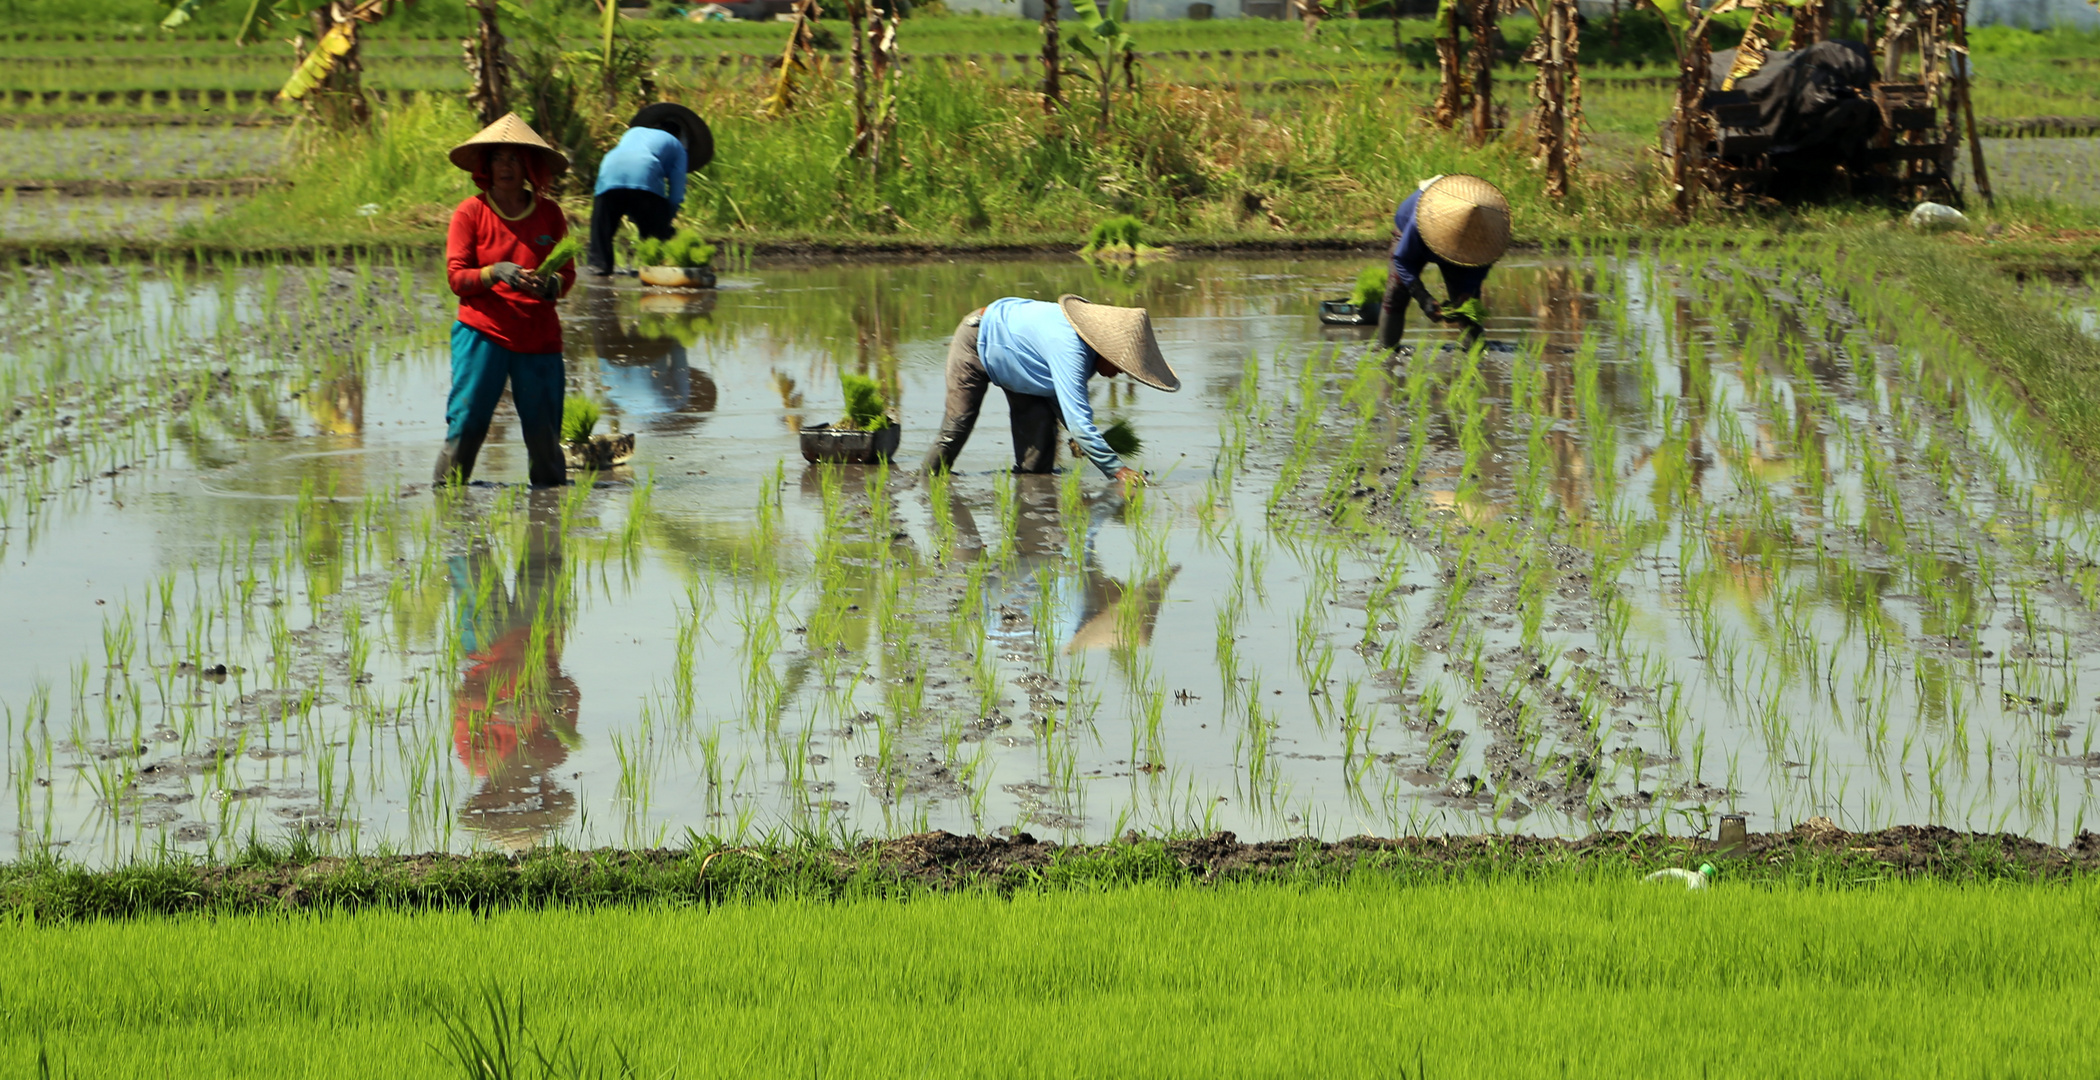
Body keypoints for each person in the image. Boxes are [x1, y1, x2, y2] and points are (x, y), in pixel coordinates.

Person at [436, 113, 576, 487]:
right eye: (498, 158)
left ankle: (549, 518)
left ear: (528, 165)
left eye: (514, 158)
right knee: (467, 425)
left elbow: (568, 273)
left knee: (545, 437)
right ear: (486, 165)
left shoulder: (549, 214)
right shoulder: (471, 213)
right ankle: (448, 505)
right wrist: (495, 272)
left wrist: (550, 287)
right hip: (483, 333)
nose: (505, 166)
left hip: (539, 337)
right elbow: (456, 277)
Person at [922, 294, 1180, 490]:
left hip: (1024, 359)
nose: (1121, 372)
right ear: (1104, 349)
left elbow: (1066, 404)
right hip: (978, 337)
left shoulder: (1085, 353)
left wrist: (1082, 438)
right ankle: (927, 482)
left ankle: (1031, 501)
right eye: (1121, 364)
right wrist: (1118, 471)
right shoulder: (1071, 349)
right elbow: (1079, 420)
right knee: (958, 423)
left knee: (1040, 444)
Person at [1377, 174, 1512, 352]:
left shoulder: (1490, 233)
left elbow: (1482, 264)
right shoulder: (1422, 219)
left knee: (1467, 304)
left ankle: (1475, 350)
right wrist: (1422, 297)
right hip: (1414, 232)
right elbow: (1402, 260)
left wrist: (1466, 292)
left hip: (1466, 247)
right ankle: (1386, 348)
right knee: (1396, 291)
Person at [587, 102, 714, 276]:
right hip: (644, 171)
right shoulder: (677, 147)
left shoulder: (633, 133)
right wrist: (665, 218)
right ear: (681, 137)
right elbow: (676, 193)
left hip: (609, 171)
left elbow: (627, 186)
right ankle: (659, 265)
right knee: (656, 233)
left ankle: (598, 266)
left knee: (602, 226)